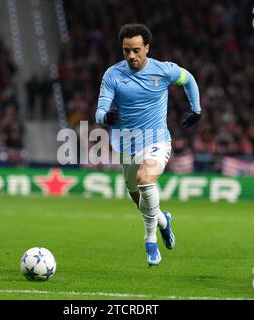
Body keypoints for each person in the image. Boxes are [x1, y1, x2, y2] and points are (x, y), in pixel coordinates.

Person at [95, 24, 201, 266]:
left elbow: (189, 79)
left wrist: (196, 109)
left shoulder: (163, 70)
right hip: (125, 145)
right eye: (126, 51)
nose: (131, 55)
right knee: (139, 200)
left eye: (136, 50)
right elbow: (100, 109)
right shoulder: (112, 75)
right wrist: (105, 117)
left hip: (157, 141)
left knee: (145, 178)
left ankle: (150, 241)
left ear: (146, 48)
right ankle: (163, 221)